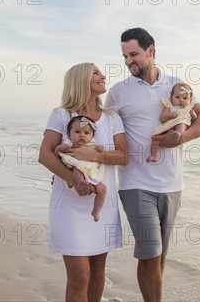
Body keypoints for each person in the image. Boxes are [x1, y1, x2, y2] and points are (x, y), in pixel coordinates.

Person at [104, 28, 200, 302]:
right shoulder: (118, 93)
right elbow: (103, 133)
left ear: (151, 50)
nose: (129, 61)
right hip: (136, 184)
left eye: (134, 54)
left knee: (161, 256)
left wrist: (181, 138)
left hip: (173, 183)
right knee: (150, 254)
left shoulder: (178, 86)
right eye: (125, 56)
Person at [39, 62, 128, 302]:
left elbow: (123, 156)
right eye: (96, 73)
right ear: (81, 81)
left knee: (98, 272)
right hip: (68, 204)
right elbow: (45, 154)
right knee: (80, 276)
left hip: (102, 203)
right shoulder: (61, 114)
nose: (103, 76)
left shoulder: (111, 118)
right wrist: (73, 180)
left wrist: (96, 155)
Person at [55, 115, 108, 222]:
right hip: (79, 168)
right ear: (69, 134)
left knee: (103, 189)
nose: (82, 135)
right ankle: (80, 183)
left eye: (86, 133)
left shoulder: (93, 145)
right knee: (77, 170)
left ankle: (96, 210)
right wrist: (60, 148)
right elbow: (57, 153)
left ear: (92, 135)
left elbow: (100, 154)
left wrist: (100, 148)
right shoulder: (69, 145)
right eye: (77, 132)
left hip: (91, 171)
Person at [147, 83, 197, 163]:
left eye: (185, 98)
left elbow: (194, 120)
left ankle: (176, 135)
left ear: (190, 100)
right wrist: (170, 115)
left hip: (181, 125)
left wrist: (193, 114)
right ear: (171, 97)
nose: (181, 100)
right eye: (177, 97)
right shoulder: (169, 107)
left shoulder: (189, 109)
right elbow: (162, 119)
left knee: (181, 124)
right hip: (168, 127)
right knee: (155, 138)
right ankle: (154, 155)